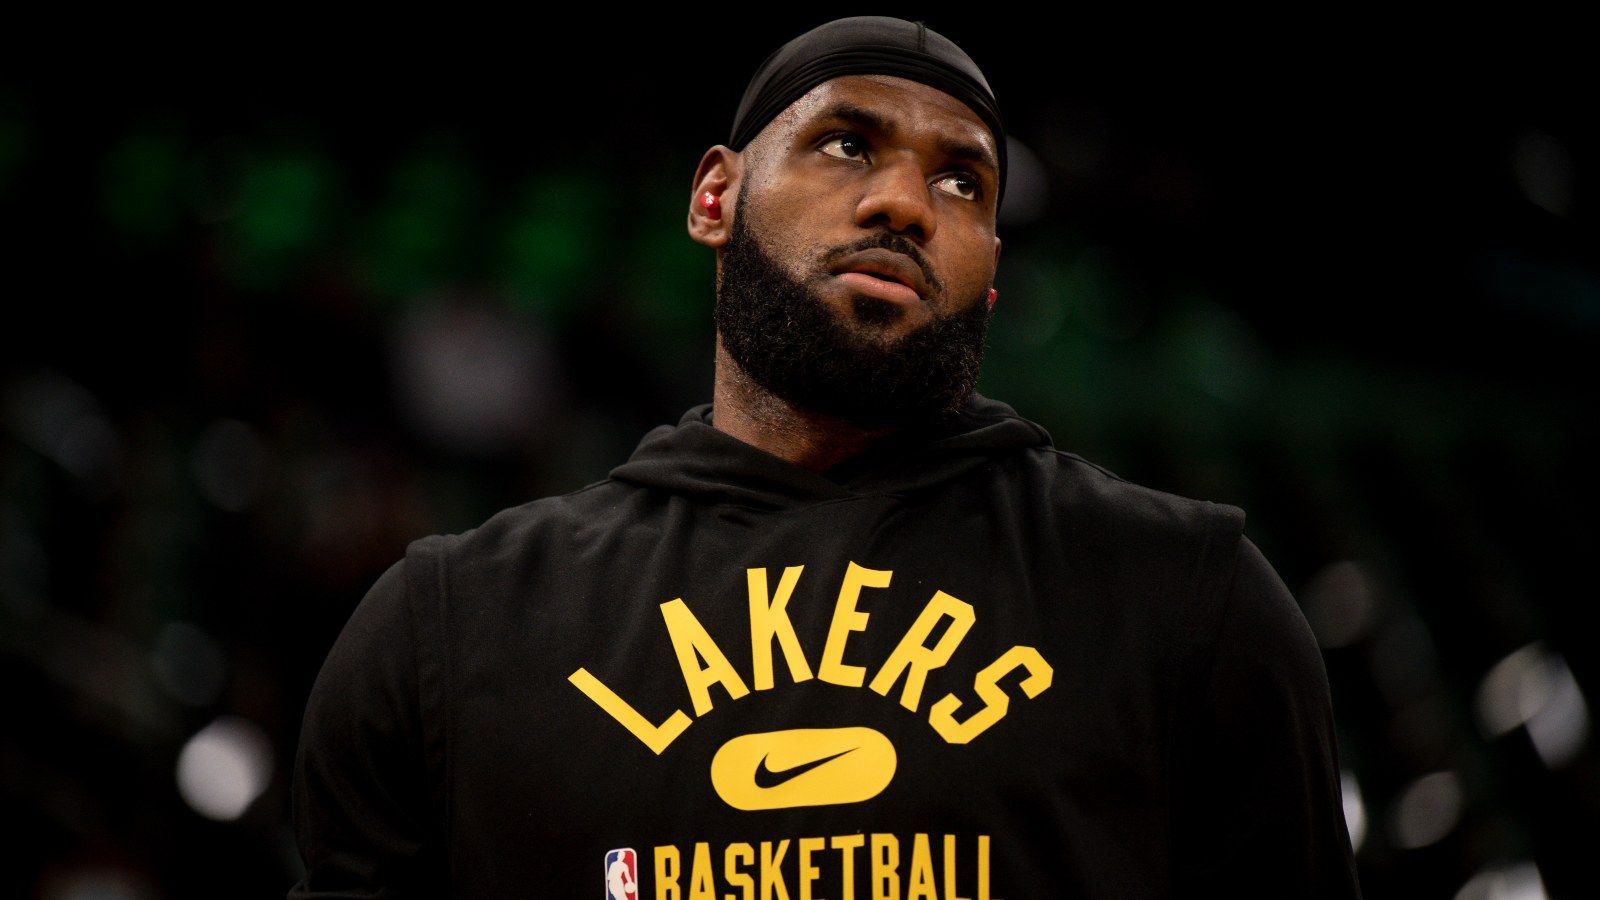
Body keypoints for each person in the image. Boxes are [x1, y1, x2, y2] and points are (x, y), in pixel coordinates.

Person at [288, 16, 1362, 898]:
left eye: (961, 185)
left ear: (989, 276)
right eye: (847, 144)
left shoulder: (1184, 601)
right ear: (715, 199)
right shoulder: (452, 626)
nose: (903, 203)